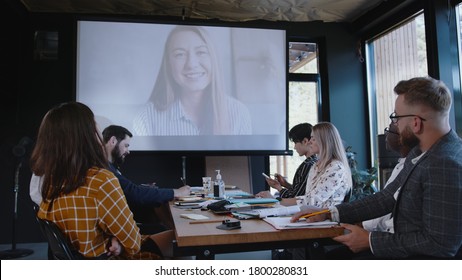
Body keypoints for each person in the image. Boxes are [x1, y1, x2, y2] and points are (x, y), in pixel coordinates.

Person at [292, 76, 462, 259]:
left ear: (415, 123)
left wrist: (371, 241)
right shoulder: (421, 151)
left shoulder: (445, 163)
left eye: (396, 117)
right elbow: (386, 198)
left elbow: (441, 245)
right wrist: (328, 214)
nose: (394, 124)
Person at [31, 102, 174, 259]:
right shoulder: (100, 180)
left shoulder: (48, 183)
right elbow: (133, 243)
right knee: (180, 241)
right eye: (95, 126)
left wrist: (112, 237)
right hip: (114, 259)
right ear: (87, 135)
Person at [133, 25, 252, 136]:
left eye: (201, 52)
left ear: (213, 59)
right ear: (168, 64)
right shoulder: (146, 118)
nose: (191, 64)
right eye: (180, 54)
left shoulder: (239, 113)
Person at [257, 123, 317, 199]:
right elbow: (301, 191)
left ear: (305, 141)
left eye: (295, 142)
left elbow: (296, 198)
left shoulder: (307, 165)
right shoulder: (314, 162)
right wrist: (285, 184)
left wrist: (278, 187)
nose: (294, 147)